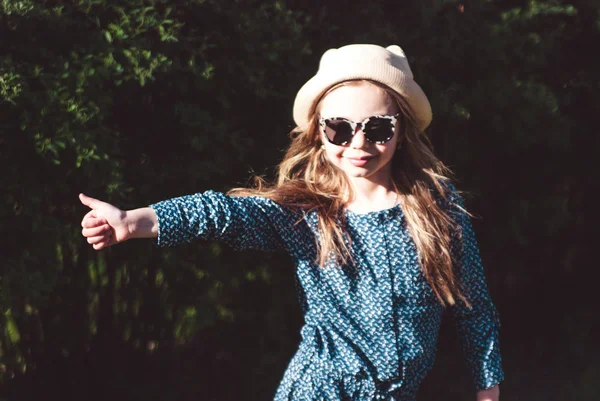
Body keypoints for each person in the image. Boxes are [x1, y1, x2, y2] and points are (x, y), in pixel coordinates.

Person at [79, 44, 504, 401]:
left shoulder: (438, 209)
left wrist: (489, 389)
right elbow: (223, 214)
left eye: (377, 127)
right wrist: (136, 222)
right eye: (340, 128)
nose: (359, 143)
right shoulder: (308, 215)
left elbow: (475, 310)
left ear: (401, 130)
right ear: (319, 133)